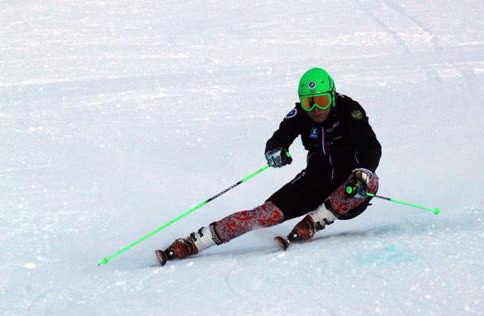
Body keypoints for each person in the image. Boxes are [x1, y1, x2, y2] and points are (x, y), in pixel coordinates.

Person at [156, 67, 382, 265]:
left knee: (368, 180)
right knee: (265, 215)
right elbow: (280, 137)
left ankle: (314, 221)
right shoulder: (301, 115)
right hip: (315, 180)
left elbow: (371, 148)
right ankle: (194, 242)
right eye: (308, 102)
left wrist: (362, 171)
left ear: (332, 96)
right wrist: (275, 150)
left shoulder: (350, 111)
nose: (315, 109)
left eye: (321, 101)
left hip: (351, 188)